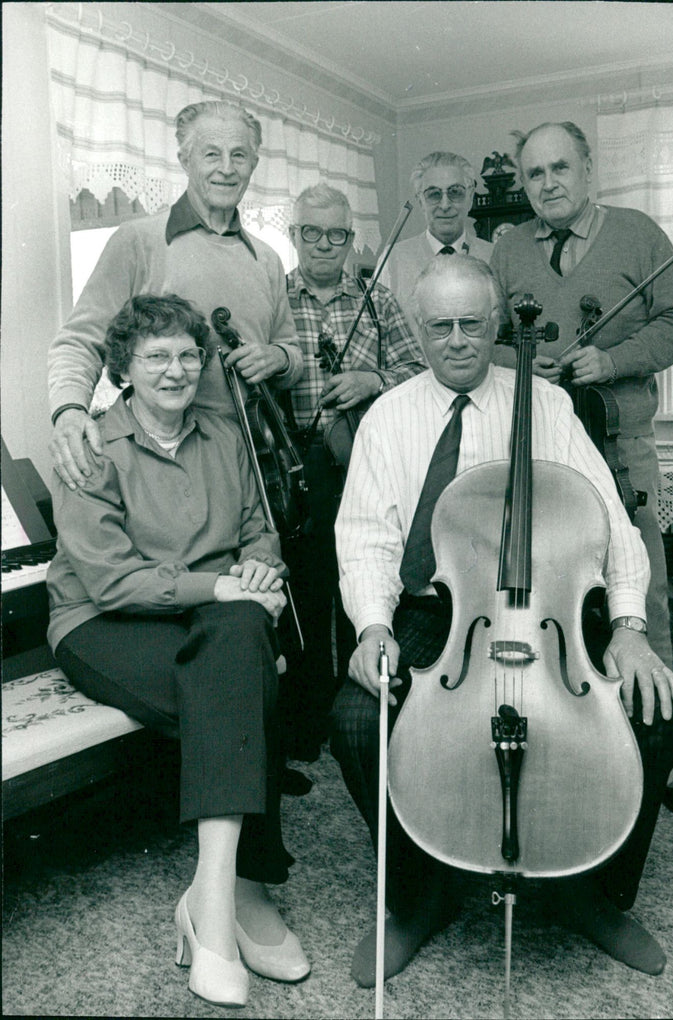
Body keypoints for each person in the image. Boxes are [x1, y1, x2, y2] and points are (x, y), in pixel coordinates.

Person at [330, 256, 673, 986]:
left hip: (549, 608)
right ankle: (420, 897)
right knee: (355, 720)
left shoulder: (547, 408)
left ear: (497, 325)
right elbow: (366, 534)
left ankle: (588, 893)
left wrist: (627, 627)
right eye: (441, 326)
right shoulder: (387, 416)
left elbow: (611, 523)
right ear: (420, 329)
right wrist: (373, 627)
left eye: (472, 323)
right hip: (441, 611)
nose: (458, 340)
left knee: (661, 714)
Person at [46, 294, 310, 1008]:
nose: (177, 369)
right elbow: (109, 579)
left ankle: (213, 899)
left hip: (210, 617)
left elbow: (259, 529)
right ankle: (239, 900)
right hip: (103, 623)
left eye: (189, 354)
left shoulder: (223, 434)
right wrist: (226, 587)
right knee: (242, 670)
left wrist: (258, 572)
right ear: (123, 368)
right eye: (157, 356)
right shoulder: (94, 443)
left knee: (239, 646)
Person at [490, 122, 673, 819]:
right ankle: (571, 735)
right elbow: (483, 336)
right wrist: (522, 360)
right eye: (534, 175)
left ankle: (661, 758)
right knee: (547, 591)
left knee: (643, 589)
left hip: (618, 446)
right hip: (535, 447)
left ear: (588, 168)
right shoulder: (510, 246)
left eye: (560, 168)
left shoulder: (639, 233)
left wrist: (610, 361)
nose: (548, 184)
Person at [48, 100, 302, 490]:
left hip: (255, 464)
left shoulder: (267, 259)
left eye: (239, 155)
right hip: (163, 463)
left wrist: (277, 357)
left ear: (253, 164)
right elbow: (79, 341)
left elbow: (291, 352)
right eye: (211, 154)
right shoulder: (138, 241)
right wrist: (68, 410)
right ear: (185, 160)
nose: (227, 168)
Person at [280, 183, 426, 765]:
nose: (323, 244)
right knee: (307, 589)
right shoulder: (273, 296)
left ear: (350, 237)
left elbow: (419, 369)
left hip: (362, 462)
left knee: (363, 586)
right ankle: (311, 719)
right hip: (293, 464)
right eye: (310, 232)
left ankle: (361, 707)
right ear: (294, 235)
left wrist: (372, 381)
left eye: (336, 234)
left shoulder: (379, 298)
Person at [384, 151, 494, 332]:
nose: (445, 205)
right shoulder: (392, 259)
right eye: (434, 194)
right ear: (420, 200)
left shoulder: (496, 256)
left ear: (470, 196)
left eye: (455, 192)